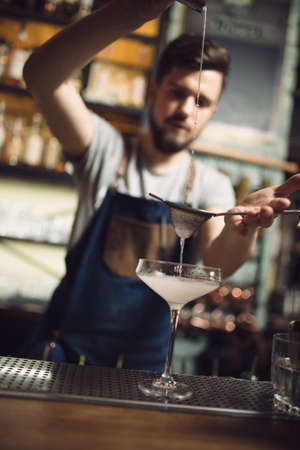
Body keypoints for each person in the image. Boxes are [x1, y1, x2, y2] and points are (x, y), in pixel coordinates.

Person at [22, 0, 300, 371]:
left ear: (212, 112)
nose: (187, 109)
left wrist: (242, 230)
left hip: (145, 371)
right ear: (153, 91)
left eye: (201, 101)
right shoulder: (104, 150)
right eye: (177, 92)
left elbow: (219, 260)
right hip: (65, 358)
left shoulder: (209, 185)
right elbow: (41, 73)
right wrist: (134, 10)